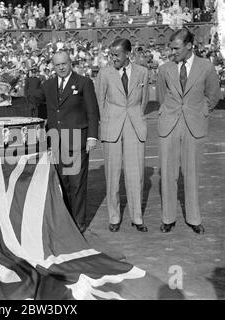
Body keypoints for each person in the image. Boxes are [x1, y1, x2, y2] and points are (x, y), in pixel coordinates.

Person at [156, 28, 221, 234]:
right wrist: (169, 113)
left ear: (189, 46)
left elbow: (213, 95)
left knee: (191, 174)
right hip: (169, 126)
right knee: (168, 174)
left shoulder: (206, 67)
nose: (172, 51)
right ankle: (168, 218)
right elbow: (161, 96)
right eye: (171, 47)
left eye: (176, 48)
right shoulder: (165, 69)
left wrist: (201, 111)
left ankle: (193, 219)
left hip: (195, 125)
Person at [32, 50, 100, 233]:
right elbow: (32, 97)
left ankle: (78, 224)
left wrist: (92, 136)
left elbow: (92, 111)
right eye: (57, 65)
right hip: (56, 141)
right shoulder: (48, 85)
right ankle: (66, 221)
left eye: (64, 63)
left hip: (77, 139)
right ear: (52, 67)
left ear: (71, 63)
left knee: (77, 183)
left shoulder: (84, 83)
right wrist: (31, 77)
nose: (61, 67)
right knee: (62, 183)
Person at [95, 38, 150, 233]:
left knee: (136, 175)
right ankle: (114, 217)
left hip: (135, 127)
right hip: (112, 128)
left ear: (128, 54)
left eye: (116, 55)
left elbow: (143, 103)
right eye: (111, 55)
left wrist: (134, 117)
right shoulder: (104, 73)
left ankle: (137, 217)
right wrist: (107, 122)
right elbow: (99, 101)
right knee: (112, 175)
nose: (113, 58)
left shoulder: (142, 72)